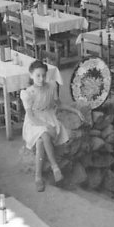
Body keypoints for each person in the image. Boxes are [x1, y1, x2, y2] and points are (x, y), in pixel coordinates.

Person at [20, 61, 79, 192]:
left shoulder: (51, 86)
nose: (41, 79)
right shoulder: (28, 93)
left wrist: (75, 110)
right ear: (31, 75)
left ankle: (38, 177)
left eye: (43, 75)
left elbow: (59, 104)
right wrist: (46, 126)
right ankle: (55, 167)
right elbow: (31, 117)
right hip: (34, 122)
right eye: (38, 76)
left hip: (49, 117)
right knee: (43, 134)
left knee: (42, 140)